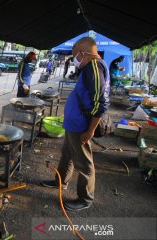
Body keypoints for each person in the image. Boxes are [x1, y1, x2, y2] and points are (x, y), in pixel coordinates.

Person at [41, 37, 110, 211]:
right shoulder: (89, 67)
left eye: (75, 56)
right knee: (67, 154)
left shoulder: (94, 67)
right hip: (74, 123)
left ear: (83, 52)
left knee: (84, 164)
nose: (75, 59)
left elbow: (100, 103)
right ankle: (61, 181)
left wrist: (90, 130)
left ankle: (85, 198)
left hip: (81, 126)